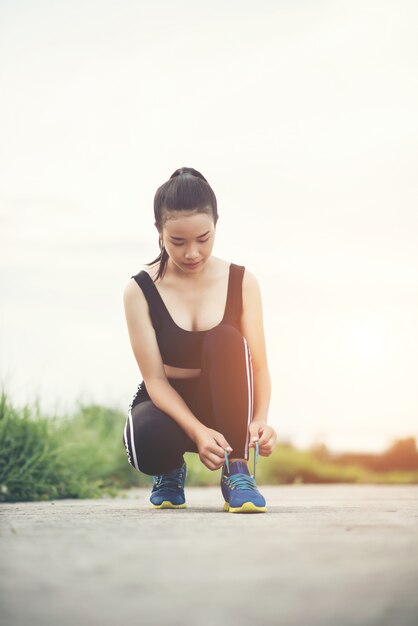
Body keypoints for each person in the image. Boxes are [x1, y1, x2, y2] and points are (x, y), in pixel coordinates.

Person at [123, 166, 277, 513]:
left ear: (216, 225)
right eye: (178, 242)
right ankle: (168, 468)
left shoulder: (242, 281)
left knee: (225, 338)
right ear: (159, 232)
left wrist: (259, 420)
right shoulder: (139, 291)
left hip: (225, 402)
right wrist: (196, 432)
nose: (192, 253)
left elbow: (259, 366)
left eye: (203, 239)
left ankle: (236, 469)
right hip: (168, 401)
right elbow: (155, 381)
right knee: (142, 436)